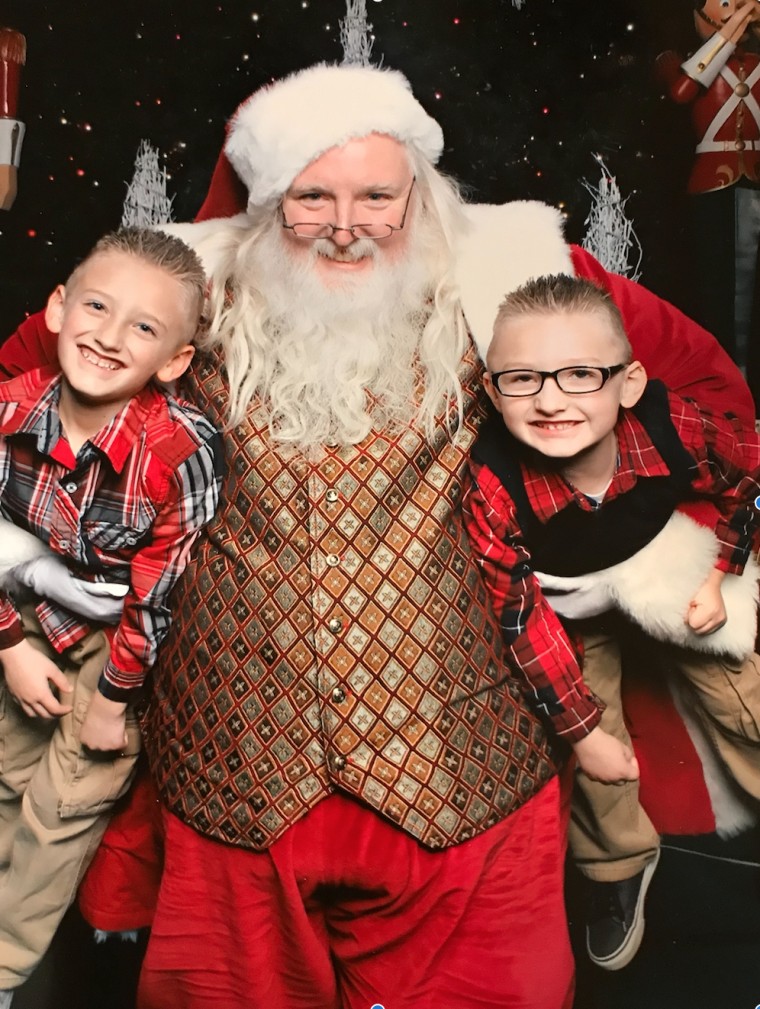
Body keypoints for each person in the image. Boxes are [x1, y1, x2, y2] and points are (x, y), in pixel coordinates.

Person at [0, 62, 756, 1009]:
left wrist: (624, 548)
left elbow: (706, 399)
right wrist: (42, 560)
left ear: (419, 195)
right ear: (268, 201)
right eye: (311, 196)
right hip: (233, 763)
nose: (346, 224)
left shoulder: (512, 277)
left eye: (375, 196)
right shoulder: (174, 292)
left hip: (462, 757)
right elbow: (29, 387)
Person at [464, 272, 760, 972]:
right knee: (593, 743)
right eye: (522, 379)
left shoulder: (668, 421)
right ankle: (615, 865)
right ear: (489, 390)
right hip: (559, 600)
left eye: (579, 375)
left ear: (628, 383)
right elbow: (515, 616)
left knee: (742, 690)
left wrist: (724, 573)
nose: (551, 399)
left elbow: (744, 479)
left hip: (655, 558)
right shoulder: (490, 480)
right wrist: (583, 730)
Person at [0, 226, 223, 1008]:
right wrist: (9, 649)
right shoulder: (7, 408)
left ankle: (3, 970)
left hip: (122, 645)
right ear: (59, 308)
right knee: (0, 780)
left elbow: (160, 593)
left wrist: (112, 702)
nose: (108, 334)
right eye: (97, 305)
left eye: (144, 326)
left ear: (172, 361)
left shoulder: (181, 447)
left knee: (60, 812)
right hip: (28, 615)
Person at [657, 0, 760, 401]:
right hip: (709, 185)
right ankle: (721, 389)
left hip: (754, 181)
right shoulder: (674, 60)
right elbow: (683, 91)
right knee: (712, 289)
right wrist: (729, 33)